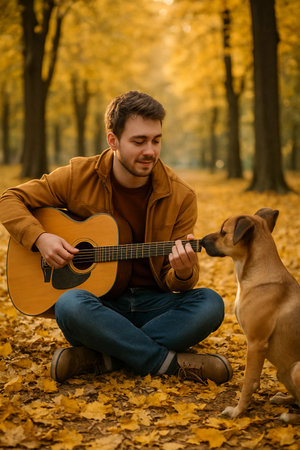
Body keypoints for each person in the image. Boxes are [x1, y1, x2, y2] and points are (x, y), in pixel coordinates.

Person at [0, 91, 232, 384]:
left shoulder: (181, 196)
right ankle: (167, 364)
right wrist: (41, 238)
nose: (150, 150)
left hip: (154, 307)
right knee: (69, 305)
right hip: (98, 305)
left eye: (156, 140)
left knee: (210, 303)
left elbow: (173, 280)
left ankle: (103, 356)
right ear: (113, 141)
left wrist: (183, 273)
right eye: (139, 141)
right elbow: (8, 199)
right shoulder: (78, 175)